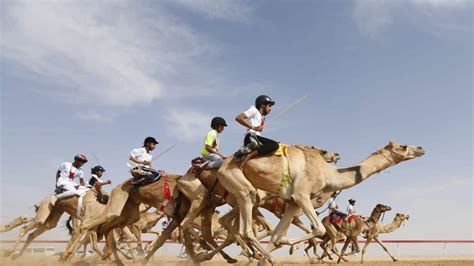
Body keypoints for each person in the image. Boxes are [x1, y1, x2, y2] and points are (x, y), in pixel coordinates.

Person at [235, 95, 279, 169]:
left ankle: (249, 150)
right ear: (262, 105)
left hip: (255, 137)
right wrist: (254, 127)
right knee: (274, 145)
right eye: (269, 105)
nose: (270, 108)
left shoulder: (260, 117)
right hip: (251, 137)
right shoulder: (254, 110)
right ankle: (249, 155)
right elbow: (239, 118)